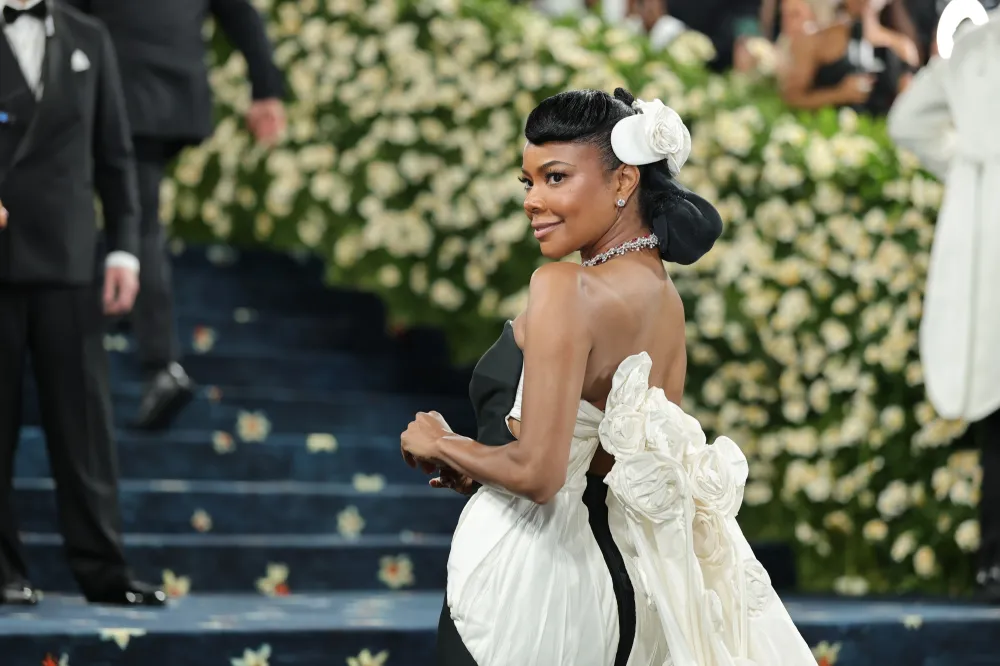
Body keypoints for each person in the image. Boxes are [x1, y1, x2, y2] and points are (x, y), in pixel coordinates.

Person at [400, 88, 816, 666]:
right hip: (614, 589)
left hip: (523, 585)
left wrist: (440, 442)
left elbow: (540, 475)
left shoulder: (564, 286)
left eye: (555, 177)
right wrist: (475, 467)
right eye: (529, 182)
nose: (533, 201)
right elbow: (605, 466)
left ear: (623, 183)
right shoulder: (665, 302)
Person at [0, 0, 164, 605]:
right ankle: (1, 573)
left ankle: (104, 572)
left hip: (69, 261)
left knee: (84, 425)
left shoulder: (90, 37)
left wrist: (124, 251)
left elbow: (114, 155)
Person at [59, 0, 287, 430]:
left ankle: (157, 362)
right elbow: (241, 14)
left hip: (115, 83)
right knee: (138, 215)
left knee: (131, 218)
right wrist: (265, 89)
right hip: (172, 91)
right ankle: (135, 325)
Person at [887, 5, 1000, 603]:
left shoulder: (980, 45)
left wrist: (960, 160)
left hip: (984, 232)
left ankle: (992, 563)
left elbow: (910, 121)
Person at [779, 0, 921, 114]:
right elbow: (791, 99)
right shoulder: (815, 42)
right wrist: (837, 95)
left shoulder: (902, 48)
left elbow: (911, 111)